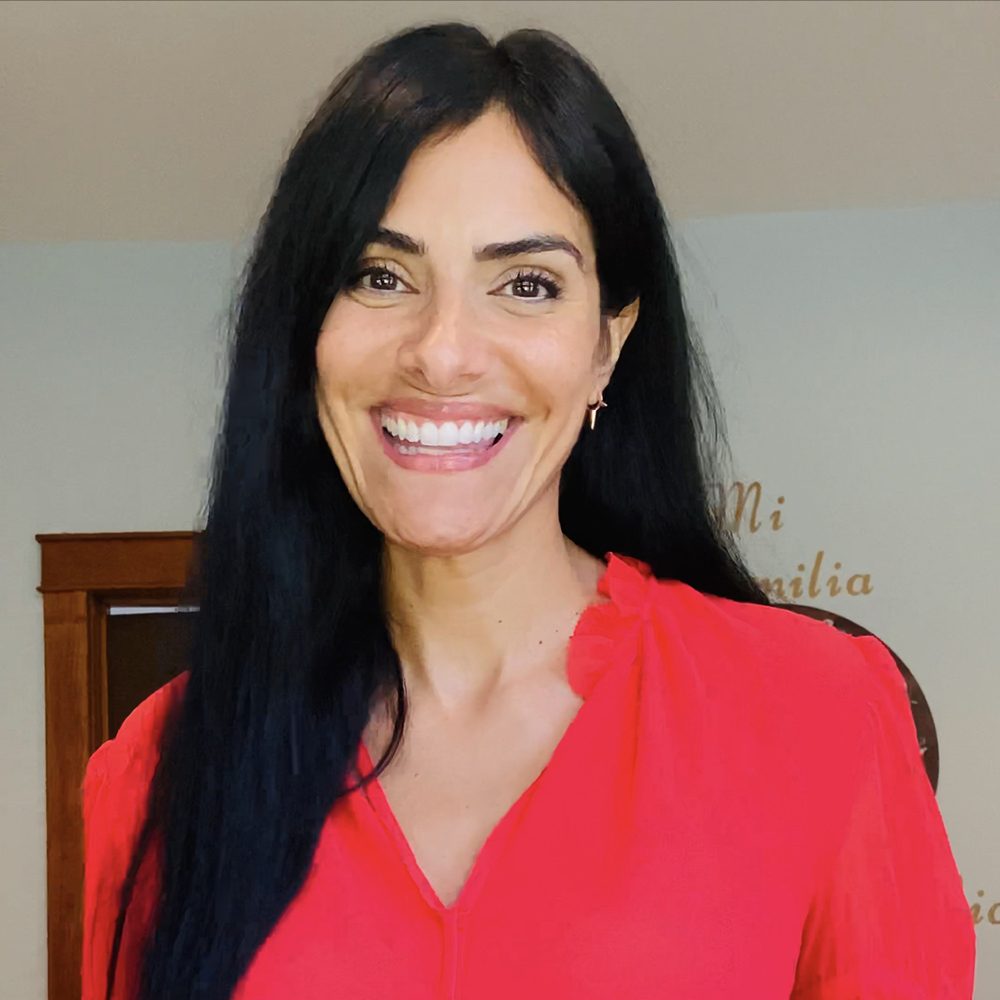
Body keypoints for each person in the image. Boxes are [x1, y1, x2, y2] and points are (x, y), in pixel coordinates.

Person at [81, 21, 975, 1000]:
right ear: (304, 334)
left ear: (605, 349)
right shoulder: (160, 772)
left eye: (526, 284)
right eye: (379, 275)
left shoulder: (821, 715)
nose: (442, 351)